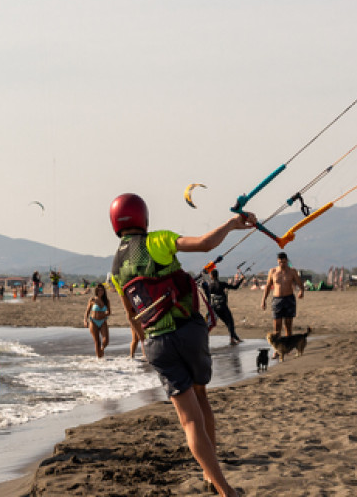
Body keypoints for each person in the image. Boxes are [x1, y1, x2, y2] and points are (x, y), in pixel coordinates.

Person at [108, 193, 253, 497]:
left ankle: (220, 485)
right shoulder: (156, 241)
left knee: (188, 421)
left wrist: (145, 341)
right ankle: (217, 483)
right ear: (142, 218)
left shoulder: (115, 269)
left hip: (157, 344)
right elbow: (204, 244)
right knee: (201, 397)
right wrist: (231, 224)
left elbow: (131, 315)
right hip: (188, 332)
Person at [260, 252, 305, 338]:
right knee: (277, 327)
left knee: (288, 326)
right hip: (277, 299)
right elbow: (268, 286)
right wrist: (263, 300)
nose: (282, 264)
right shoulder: (273, 271)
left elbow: (299, 283)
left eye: (284, 262)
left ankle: (287, 348)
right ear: (277, 261)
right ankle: (278, 349)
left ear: (287, 261)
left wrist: (301, 291)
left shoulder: (292, 271)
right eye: (280, 262)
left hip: (289, 299)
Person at [204, 270, 244, 345]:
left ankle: (236, 338)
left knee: (227, 323)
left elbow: (208, 297)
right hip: (223, 307)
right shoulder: (222, 284)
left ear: (212, 276)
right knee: (230, 322)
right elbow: (235, 287)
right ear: (217, 275)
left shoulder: (210, 286)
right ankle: (232, 340)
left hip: (215, 309)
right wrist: (242, 279)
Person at [83, 285, 112, 358]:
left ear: (104, 291)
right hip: (93, 321)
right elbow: (87, 311)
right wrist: (85, 320)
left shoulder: (106, 300)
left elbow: (109, 312)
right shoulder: (92, 299)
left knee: (106, 341)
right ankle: (99, 358)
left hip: (103, 321)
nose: (100, 292)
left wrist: (105, 314)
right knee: (97, 342)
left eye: (102, 290)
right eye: (99, 290)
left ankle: (101, 350)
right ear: (96, 291)